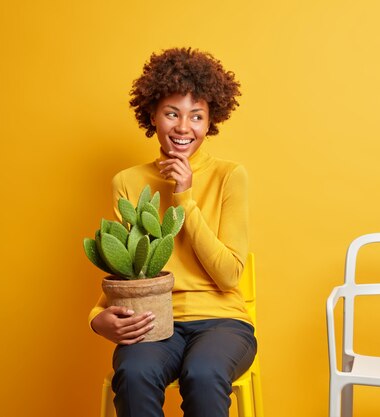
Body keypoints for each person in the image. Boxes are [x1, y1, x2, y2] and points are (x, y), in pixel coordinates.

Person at [88, 47, 256, 417]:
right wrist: (96, 318)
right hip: (154, 320)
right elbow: (127, 266)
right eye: (172, 114)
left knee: (204, 373)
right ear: (153, 115)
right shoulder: (128, 182)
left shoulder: (230, 176)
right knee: (133, 372)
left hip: (223, 322)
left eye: (196, 116)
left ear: (210, 121)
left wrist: (184, 196)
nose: (183, 127)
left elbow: (229, 276)